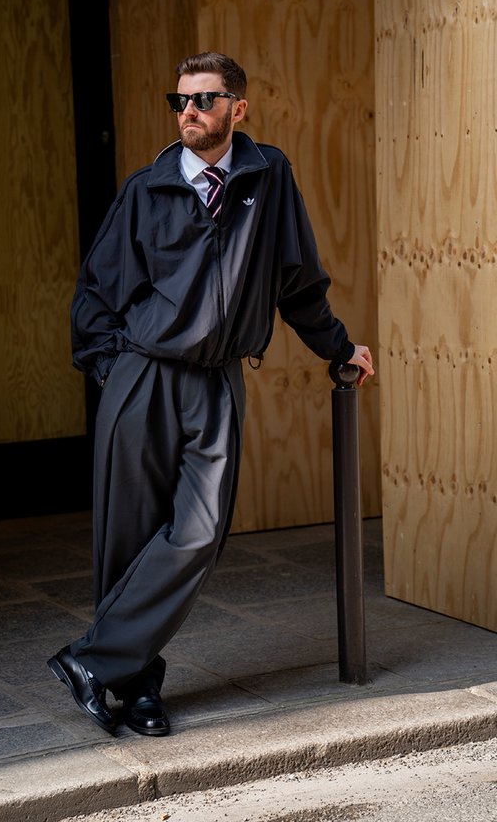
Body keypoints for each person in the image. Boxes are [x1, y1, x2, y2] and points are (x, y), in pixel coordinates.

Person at [47, 52, 374, 738]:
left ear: (237, 108)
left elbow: (298, 282)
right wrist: (112, 372)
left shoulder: (268, 177)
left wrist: (339, 347)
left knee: (199, 532)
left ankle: (91, 661)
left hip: (218, 380)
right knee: (129, 539)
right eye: (180, 100)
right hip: (143, 378)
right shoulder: (147, 190)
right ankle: (137, 689)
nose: (188, 111)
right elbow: (97, 293)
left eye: (203, 99)